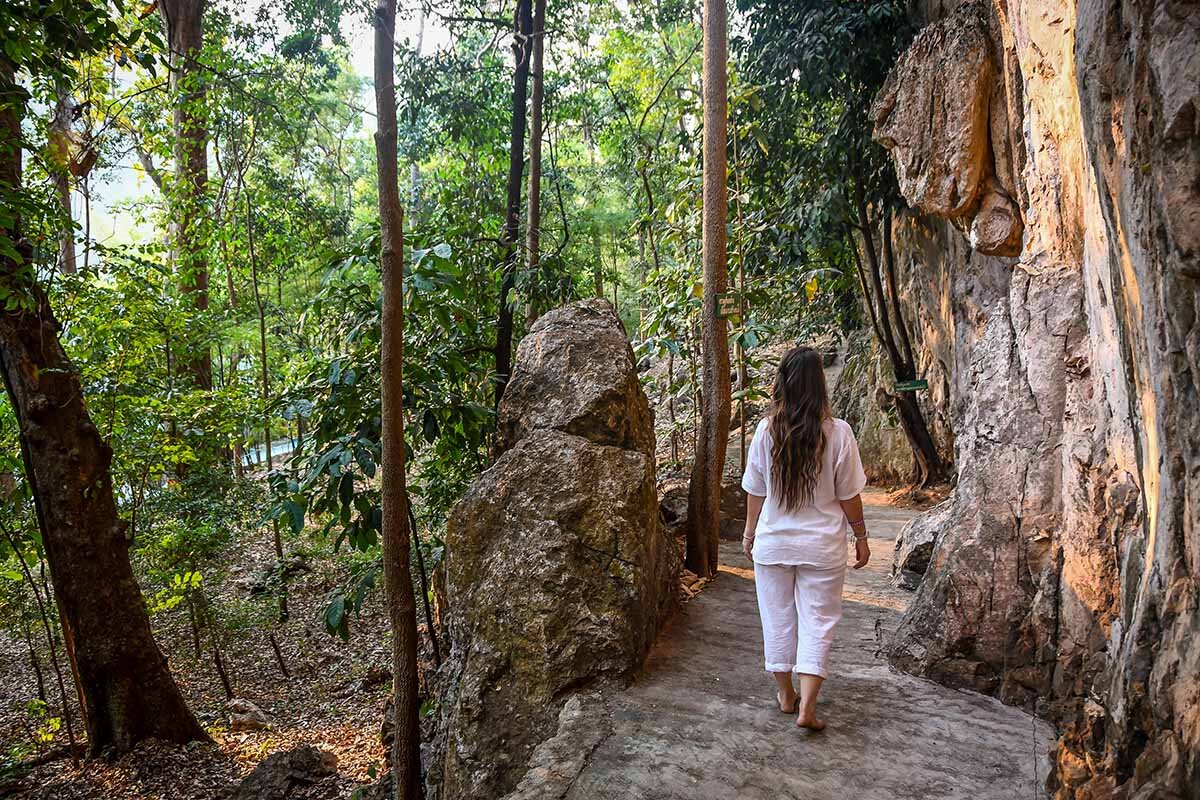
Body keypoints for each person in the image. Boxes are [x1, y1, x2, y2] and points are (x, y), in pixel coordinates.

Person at [741, 345, 870, 731]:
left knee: (777, 619)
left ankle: (785, 695)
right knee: (818, 620)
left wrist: (749, 533)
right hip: (822, 548)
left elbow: (755, 491)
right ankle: (807, 707)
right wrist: (861, 536)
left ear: (782, 383)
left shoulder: (766, 431)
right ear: (820, 386)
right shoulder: (839, 433)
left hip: (774, 545)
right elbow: (849, 495)